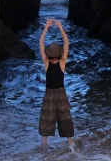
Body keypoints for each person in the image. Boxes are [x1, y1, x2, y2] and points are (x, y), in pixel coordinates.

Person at [38, 18, 74, 149]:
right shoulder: (62, 63)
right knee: (65, 116)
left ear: (48, 54)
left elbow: (41, 42)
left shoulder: (46, 63)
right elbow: (66, 42)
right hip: (61, 93)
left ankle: (44, 143)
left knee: (46, 117)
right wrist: (60, 27)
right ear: (59, 54)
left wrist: (46, 27)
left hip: (49, 93)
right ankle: (70, 142)